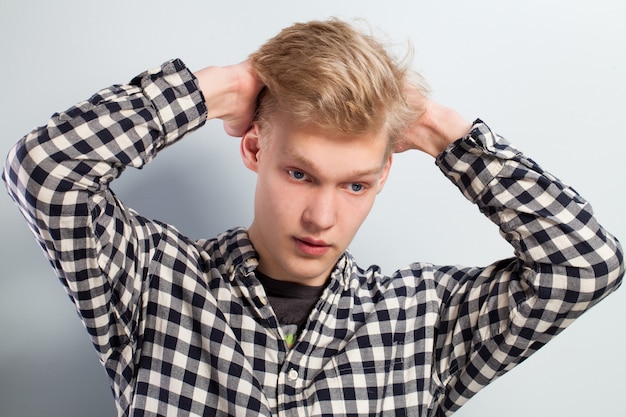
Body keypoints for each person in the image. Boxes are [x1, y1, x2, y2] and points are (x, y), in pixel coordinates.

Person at [3, 19, 623, 417]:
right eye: (299, 174)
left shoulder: (426, 319)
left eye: (354, 184)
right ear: (253, 150)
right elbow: (44, 171)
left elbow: (586, 266)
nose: (322, 216)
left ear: (382, 178)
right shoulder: (153, 281)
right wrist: (218, 89)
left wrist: (440, 130)